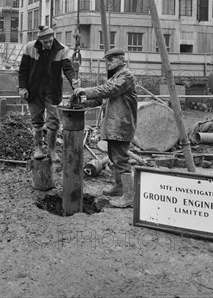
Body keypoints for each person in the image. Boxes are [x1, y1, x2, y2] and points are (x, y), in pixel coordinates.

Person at [71, 47, 137, 208]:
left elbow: (109, 90)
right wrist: (82, 101)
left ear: (122, 60)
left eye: (111, 60)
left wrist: (85, 90)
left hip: (122, 124)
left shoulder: (126, 76)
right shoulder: (114, 77)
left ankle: (129, 196)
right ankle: (119, 186)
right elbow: (101, 99)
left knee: (121, 159)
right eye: (106, 60)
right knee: (114, 157)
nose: (108, 63)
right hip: (113, 126)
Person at [18, 25, 78, 161]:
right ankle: (38, 148)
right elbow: (23, 70)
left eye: (50, 41)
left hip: (51, 89)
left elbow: (68, 68)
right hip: (34, 89)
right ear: (40, 41)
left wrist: (74, 81)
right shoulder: (30, 47)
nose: (49, 44)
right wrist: (22, 87)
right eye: (45, 42)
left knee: (54, 120)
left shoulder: (62, 50)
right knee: (36, 120)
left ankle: (51, 150)